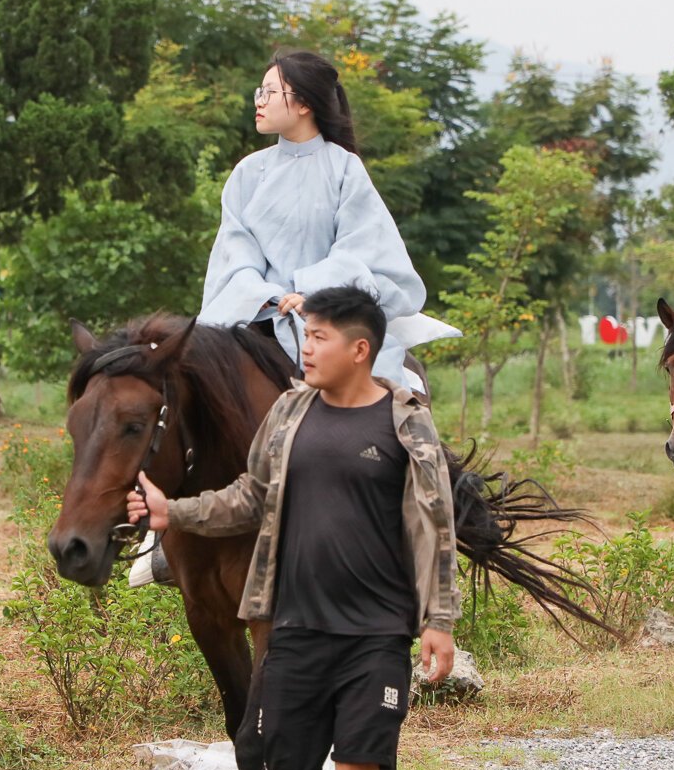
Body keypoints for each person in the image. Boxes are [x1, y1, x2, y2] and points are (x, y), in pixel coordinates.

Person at [127, 284, 458, 770]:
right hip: (294, 621)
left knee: (359, 767)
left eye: (320, 337)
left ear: (360, 349)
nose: (305, 348)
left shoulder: (404, 418)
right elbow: (250, 496)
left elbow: (434, 520)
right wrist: (175, 515)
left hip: (375, 628)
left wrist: (438, 619)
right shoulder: (286, 413)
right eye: (304, 336)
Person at [129, 49, 455, 586]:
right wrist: (269, 295)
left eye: (268, 92)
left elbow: (364, 249)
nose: (257, 101)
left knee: (394, 396)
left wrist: (308, 291)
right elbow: (233, 256)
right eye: (259, 92)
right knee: (181, 394)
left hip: (330, 313)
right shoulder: (247, 174)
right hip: (252, 315)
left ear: (301, 102)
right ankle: (163, 538)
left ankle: (399, 527)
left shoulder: (345, 170)